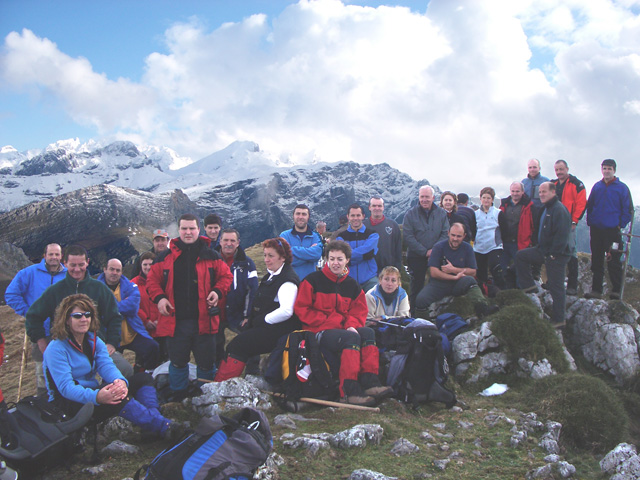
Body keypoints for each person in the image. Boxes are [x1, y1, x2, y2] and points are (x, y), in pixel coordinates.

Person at [42, 294, 181, 440]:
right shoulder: (56, 348)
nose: (84, 319)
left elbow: (107, 366)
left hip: (91, 395)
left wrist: (120, 381)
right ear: (66, 320)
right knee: (114, 394)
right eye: (77, 316)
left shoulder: (93, 340)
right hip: (68, 404)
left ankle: (156, 425)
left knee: (143, 379)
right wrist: (97, 396)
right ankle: (164, 427)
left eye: (87, 315)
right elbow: (66, 388)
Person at [294, 241, 393, 406]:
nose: (335, 263)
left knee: (368, 333)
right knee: (351, 338)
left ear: (347, 260)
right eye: (331, 259)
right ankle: (348, 391)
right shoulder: (312, 281)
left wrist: (350, 325)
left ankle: (370, 382)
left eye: (339, 259)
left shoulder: (352, 285)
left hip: (342, 330)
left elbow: (359, 311)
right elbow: (302, 309)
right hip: (317, 331)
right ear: (326, 260)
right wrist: (336, 323)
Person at [146, 214, 232, 400]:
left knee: (206, 363)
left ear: (198, 230)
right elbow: (152, 282)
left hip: (205, 321)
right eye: (184, 228)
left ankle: (206, 397)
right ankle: (179, 398)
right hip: (175, 322)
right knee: (177, 362)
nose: (188, 232)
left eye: (192, 228)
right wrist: (160, 298)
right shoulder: (164, 258)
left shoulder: (211, 255)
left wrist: (217, 292)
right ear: (178, 230)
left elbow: (226, 277)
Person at [26, 245, 133, 379]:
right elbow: (33, 316)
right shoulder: (55, 291)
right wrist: (41, 343)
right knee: (53, 382)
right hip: (64, 349)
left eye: (81, 265)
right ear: (65, 263)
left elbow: (114, 317)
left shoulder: (99, 289)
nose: (77, 269)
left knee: (125, 370)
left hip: (95, 347)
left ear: (87, 262)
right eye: (73, 265)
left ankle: (105, 391)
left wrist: (111, 342)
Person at [214, 238, 300, 381]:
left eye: (271, 256)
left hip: (277, 331)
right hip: (268, 327)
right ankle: (227, 381)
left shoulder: (287, 281)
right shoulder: (273, 275)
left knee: (238, 346)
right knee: (238, 344)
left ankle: (222, 383)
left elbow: (287, 311)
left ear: (283, 257)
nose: (266, 259)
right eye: (265, 255)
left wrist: (264, 319)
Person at [5, 243, 67, 395]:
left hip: (64, 330)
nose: (54, 257)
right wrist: (29, 313)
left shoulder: (68, 275)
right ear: (44, 256)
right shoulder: (29, 273)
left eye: (57, 254)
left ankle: (64, 397)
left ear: (61, 256)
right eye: (51, 254)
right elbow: (11, 294)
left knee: (65, 366)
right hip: (40, 331)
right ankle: (44, 398)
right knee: (42, 368)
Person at [515, 182, 572, 326]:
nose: (541, 194)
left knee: (556, 287)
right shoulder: (546, 208)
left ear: (553, 192)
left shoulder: (559, 210)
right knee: (521, 256)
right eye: (540, 192)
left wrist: (553, 255)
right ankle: (529, 286)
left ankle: (559, 319)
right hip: (543, 250)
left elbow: (562, 235)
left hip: (556, 255)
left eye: (544, 191)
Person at [414, 224, 494, 316]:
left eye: (459, 236)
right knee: (420, 300)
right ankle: (423, 322)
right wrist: (454, 277)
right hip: (439, 284)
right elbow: (434, 272)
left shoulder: (467, 248)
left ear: (464, 236)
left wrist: (454, 270)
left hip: (459, 283)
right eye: (453, 235)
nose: (455, 239)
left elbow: (473, 272)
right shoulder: (438, 247)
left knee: (470, 281)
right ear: (448, 233)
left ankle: (483, 309)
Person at [98, 259, 160, 371]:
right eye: (112, 269)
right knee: (113, 366)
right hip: (109, 336)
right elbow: (98, 311)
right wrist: (122, 306)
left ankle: (147, 372)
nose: (114, 273)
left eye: (118, 270)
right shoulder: (96, 288)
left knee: (152, 347)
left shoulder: (130, 286)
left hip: (131, 332)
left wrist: (109, 309)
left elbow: (133, 307)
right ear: (105, 269)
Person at [585, 159, 634, 300]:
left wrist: (620, 225)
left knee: (614, 259)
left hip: (612, 231)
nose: (606, 171)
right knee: (597, 259)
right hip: (596, 229)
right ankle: (596, 290)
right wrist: (590, 221)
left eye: (609, 169)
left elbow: (628, 210)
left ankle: (616, 291)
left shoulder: (622, 188)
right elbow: (590, 205)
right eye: (604, 168)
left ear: (614, 170)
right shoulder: (597, 186)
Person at [214, 229, 259, 368]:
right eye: (226, 240)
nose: (229, 244)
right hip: (215, 314)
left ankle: (252, 372)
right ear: (220, 241)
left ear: (238, 243)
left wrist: (247, 315)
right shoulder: (211, 260)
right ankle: (216, 372)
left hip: (237, 314)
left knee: (251, 340)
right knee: (214, 346)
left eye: (232, 241)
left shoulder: (247, 263)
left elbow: (252, 290)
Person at [403, 186, 449, 312]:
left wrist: (434, 250)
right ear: (418, 197)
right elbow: (408, 236)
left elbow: (445, 233)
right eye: (422, 197)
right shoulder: (410, 214)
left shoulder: (441, 213)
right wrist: (424, 252)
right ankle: (414, 313)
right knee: (416, 285)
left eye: (427, 197)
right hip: (416, 256)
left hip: (437, 256)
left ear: (433, 198)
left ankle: (434, 312)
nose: (424, 200)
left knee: (436, 284)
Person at [552, 160, 587, 296]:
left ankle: (572, 285)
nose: (559, 172)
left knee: (571, 252)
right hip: (555, 224)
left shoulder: (577, 184)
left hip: (568, 224)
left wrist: (574, 221)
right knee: (554, 251)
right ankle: (553, 282)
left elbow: (581, 204)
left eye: (561, 169)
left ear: (567, 169)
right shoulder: (553, 184)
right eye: (557, 170)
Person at [131, 252, 168, 362]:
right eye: (145, 264)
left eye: (151, 264)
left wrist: (160, 320)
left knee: (164, 358)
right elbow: (132, 305)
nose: (148, 267)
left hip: (162, 328)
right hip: (143, 329)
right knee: (144, 360)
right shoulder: (133, 284)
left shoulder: (164, 282)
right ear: (140, 265)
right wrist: (145, 320)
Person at [337, 204, 380, 292]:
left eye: (358, 215)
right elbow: (342, 256)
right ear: (348, 217)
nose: (355, 218)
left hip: (370, 279)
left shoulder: (373, 235)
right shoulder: (341, 237)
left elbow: (346, 256)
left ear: (363, 216)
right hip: (348, 280)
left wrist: (349, 259)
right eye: (353, 215)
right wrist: (365, 256)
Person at [280, 204, 323, 281]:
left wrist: (292, 250)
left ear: (308, 217)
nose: (300, 217)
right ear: (293, 216)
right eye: (298, 214)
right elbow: (284, 259)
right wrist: (309, 256)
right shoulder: (284, 235)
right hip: (289, 282)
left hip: (310, 283)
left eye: (304, 214)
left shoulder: (315, 236)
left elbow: (317, 255)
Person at [474, 187, 505, 290]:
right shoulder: (476, 214)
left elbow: (505, 230)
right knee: (480, 273)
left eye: (488, 198)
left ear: (492, 199)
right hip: (479, 248)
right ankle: (484, 292)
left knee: (495, 269)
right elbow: (473, 229)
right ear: (480, 199)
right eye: (484, 198)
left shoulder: (498, 213)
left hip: (494, 246)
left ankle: (501, 291)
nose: (486, 200)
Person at [498, 182, 534, 271]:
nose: (515, 194)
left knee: (521, 269)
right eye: (513, 191)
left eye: (517, 191)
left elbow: (533, 225)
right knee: (501, 269)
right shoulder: (504, 204)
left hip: (520, 243)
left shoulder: (529, 206)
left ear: (522, 192)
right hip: (504, 242)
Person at [363, 195, 403, 272]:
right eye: (374, 206)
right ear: (369, 207)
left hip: (388, 270)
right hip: (367, 271)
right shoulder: (363, 226)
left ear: (383, 207)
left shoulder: (393, 225)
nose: (377, 208)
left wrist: (398, 269)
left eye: (379, 206)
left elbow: (398, 249)